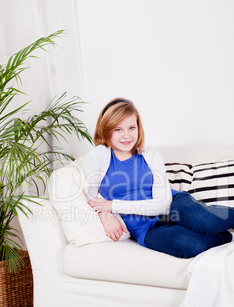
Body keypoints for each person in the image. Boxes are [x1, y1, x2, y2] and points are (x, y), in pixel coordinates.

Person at [80, 98, 234, 258]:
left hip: (173, 205)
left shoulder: (150, 155)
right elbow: (90, 197)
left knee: (206, 222)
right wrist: (105, 214)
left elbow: (162, 205)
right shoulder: (99, 156)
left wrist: (112, 206)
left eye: (131, 128)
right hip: (146, 229)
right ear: (106, 130)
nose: (127, 135)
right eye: (118, 129)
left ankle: (214, 226)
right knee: (191, 246)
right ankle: (224, 236)